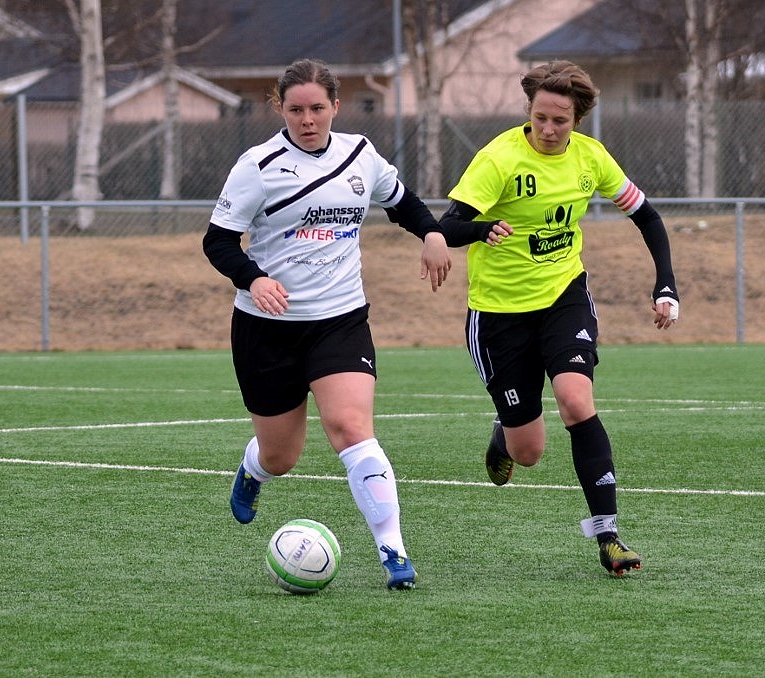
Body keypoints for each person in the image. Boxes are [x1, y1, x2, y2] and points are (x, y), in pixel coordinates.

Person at [202, 58, 452, 590]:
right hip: (267, 327)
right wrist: (253, 278)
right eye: (296, 109)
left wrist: (432, 233)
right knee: (281, 456)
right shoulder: (258, 165)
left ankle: (393, 552)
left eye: (317, 108)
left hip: (340, 320)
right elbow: (218, 241)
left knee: (351, 429)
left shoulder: (360, 154)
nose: (307, 119)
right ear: (280, 109)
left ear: (336, 106)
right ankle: (254, 469)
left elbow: (403, 203)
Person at [438, 60, 679, 575]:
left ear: (578, 120)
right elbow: (447, 227)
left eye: (560, 121)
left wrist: (665, 283)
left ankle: (608, 536)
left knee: (575, 400)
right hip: (499, 315)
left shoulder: (591, 158)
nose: (548, 129)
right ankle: (505, 432)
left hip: (563, 298)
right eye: (540, 118)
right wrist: (480, 229)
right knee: (528, 452)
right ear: (529, 112)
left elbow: (647, 215)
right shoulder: (499, 158)